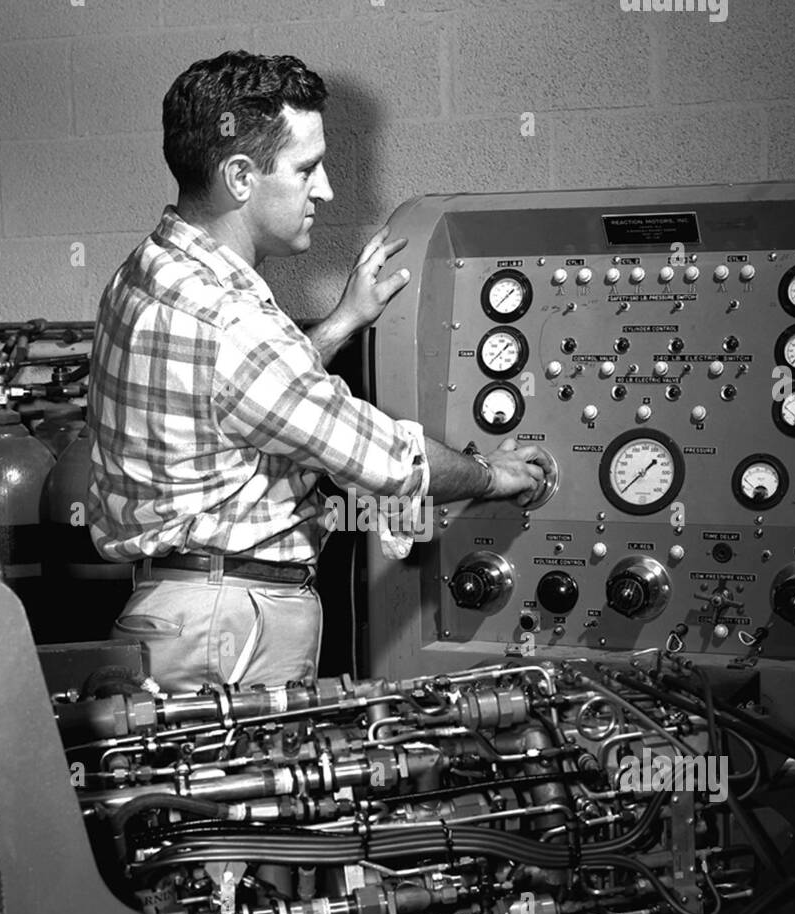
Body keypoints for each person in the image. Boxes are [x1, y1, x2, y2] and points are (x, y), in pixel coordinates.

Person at [86, 50, 546, 692]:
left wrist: (339, 324)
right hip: (232, 628)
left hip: (174, 611)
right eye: (306, 169)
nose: (325, 189)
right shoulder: (233, 321)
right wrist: (497, 476)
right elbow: (387, 461)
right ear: (241, 176)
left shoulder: (147, 271)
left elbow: (236, 398)